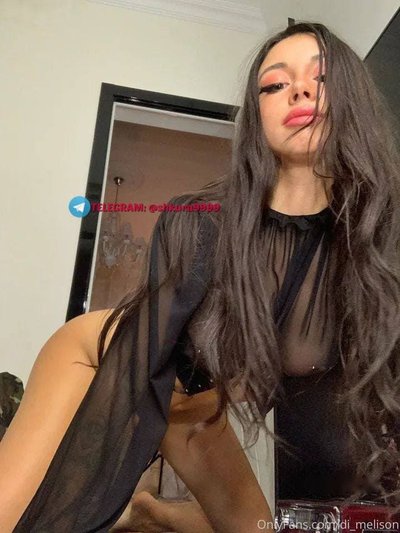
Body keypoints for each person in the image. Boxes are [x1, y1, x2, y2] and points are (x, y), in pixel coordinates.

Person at [1, 20, 400, 532]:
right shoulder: (198, 222)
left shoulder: (379, 240)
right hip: (101, 359)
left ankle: (153, 511)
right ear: (257, 116)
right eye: (274, 84)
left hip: (197, 408)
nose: (299, 90)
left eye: (320, 78)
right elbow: (147, 369)